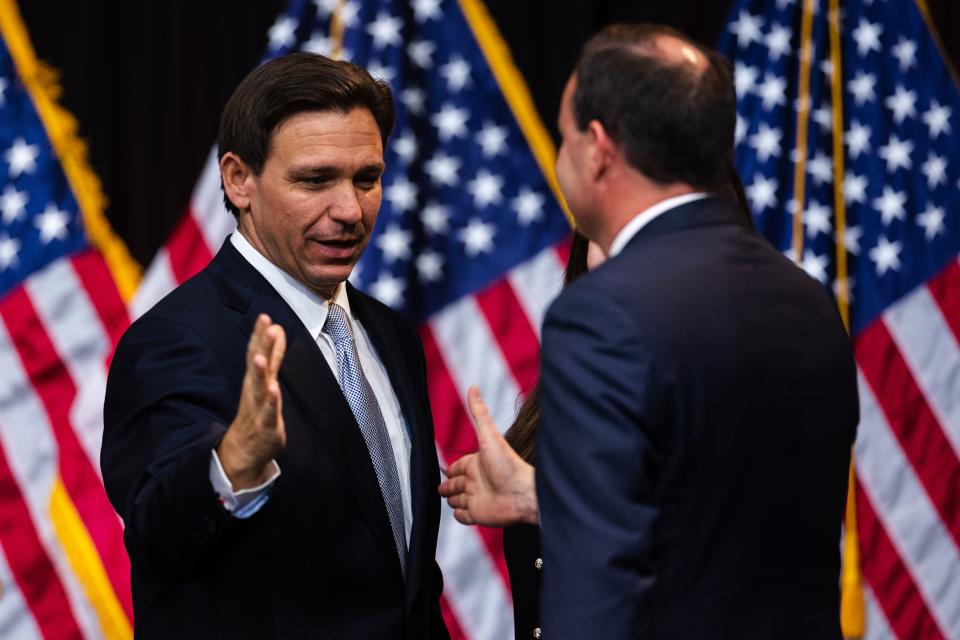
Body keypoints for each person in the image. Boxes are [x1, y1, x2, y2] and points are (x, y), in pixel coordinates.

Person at [444, 22, 857, 639]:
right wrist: (543, 496)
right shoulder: (805, 300)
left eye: (562, 137)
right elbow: (720, 517)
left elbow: (599, 592)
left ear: (598, 148)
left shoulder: (606, 311)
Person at [102, 53, 448, 639]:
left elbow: (400, 580)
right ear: (239, 180)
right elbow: (161, 539)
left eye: (367, 179)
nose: (350, 211)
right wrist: (229, 467)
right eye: (315, 180)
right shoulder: (176, 341)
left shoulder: (390, 335)